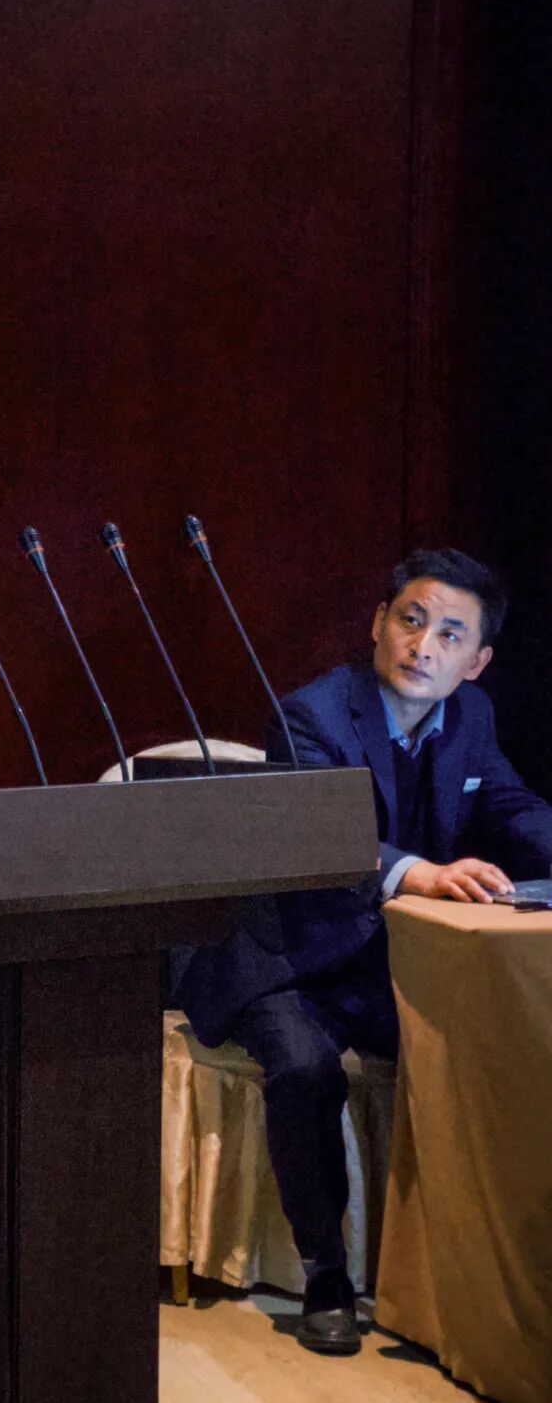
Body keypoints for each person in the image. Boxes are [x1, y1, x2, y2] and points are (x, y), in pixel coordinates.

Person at [174, 547, 552, 1355]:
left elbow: (513, 806)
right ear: (379, 622)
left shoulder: (473, 718)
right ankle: (325, 1276)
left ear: (477, 661)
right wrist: (420, 872)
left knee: (481, 1042)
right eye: (411, 619)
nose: (424, 645)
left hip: (382, 959)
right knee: (306, 1067)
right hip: (286, 953)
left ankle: (455, 1272)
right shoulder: (311, 714)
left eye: (450, 634)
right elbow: (317, 844)